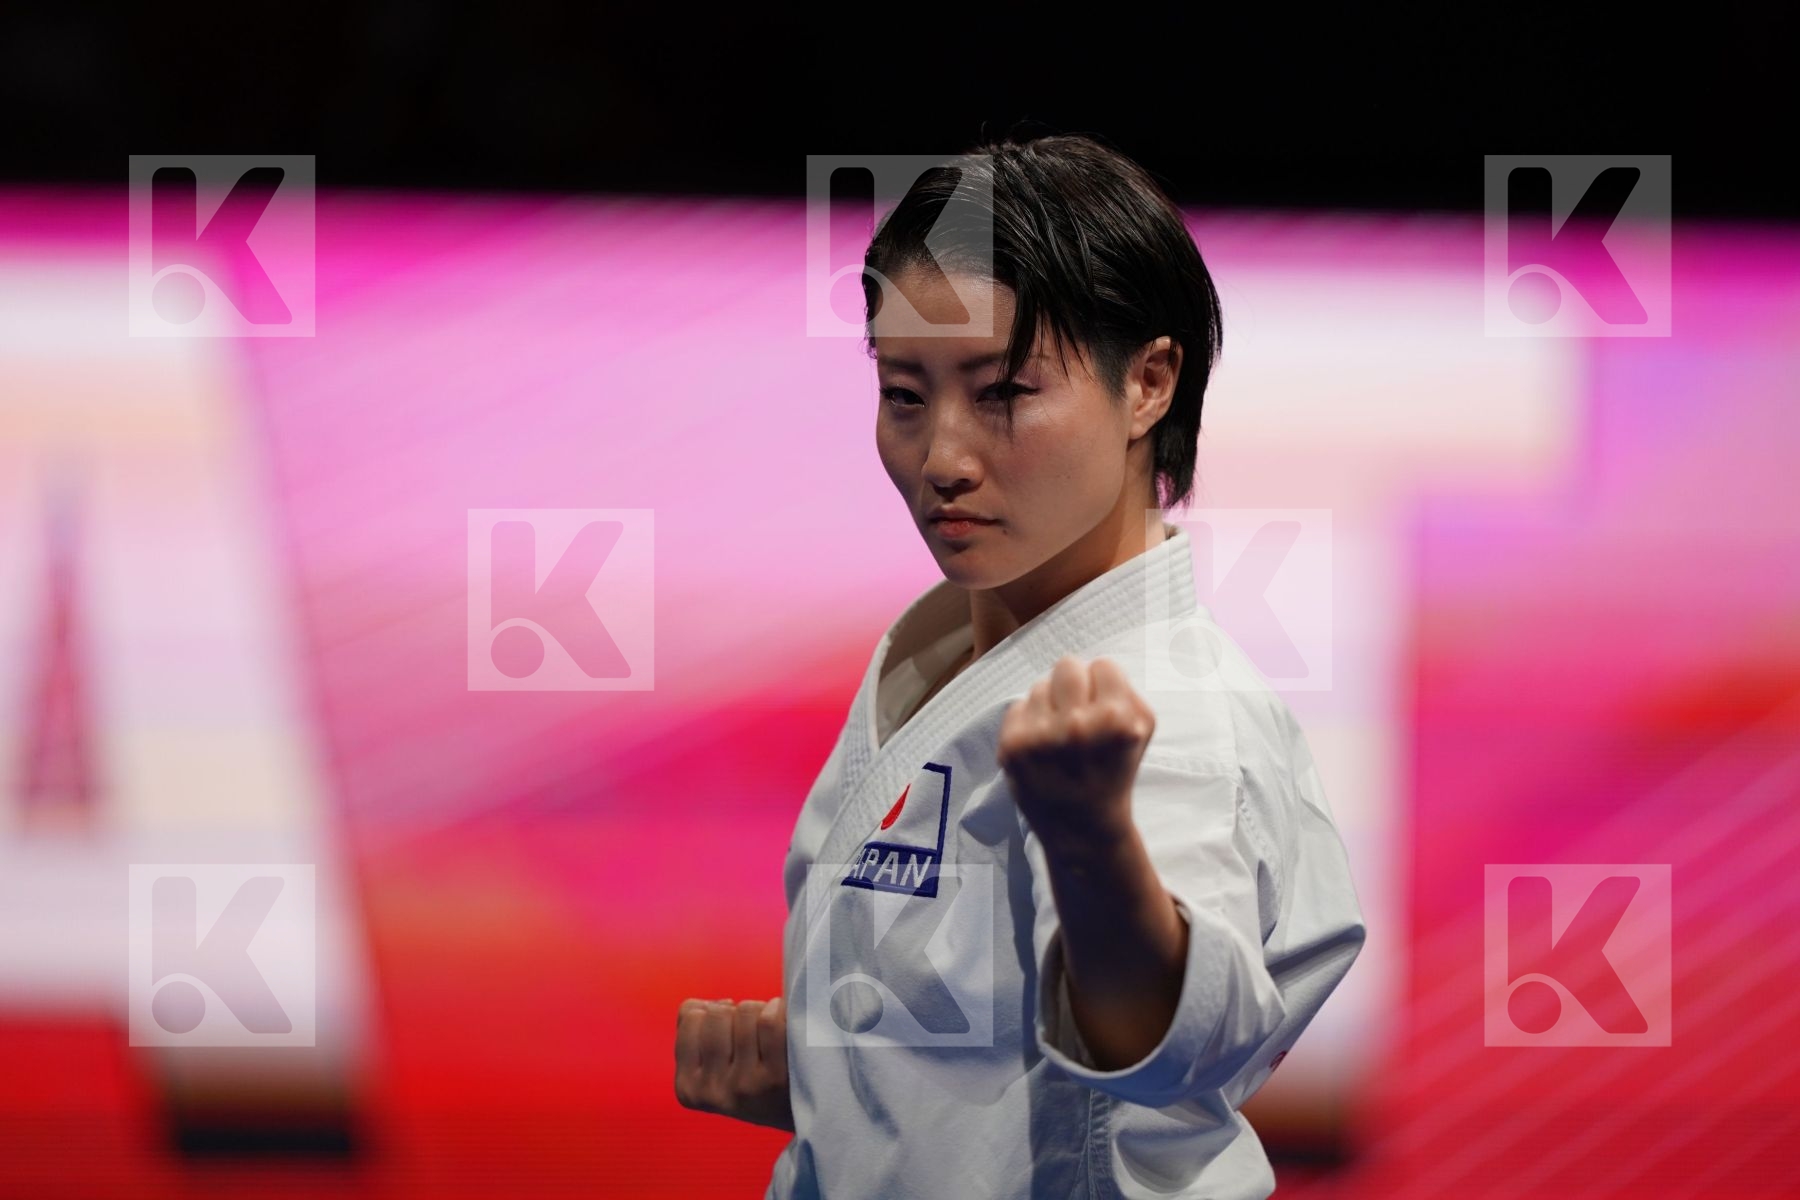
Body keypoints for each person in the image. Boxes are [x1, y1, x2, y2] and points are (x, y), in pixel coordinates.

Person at [674, 132, 1367, 1200]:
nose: (943, 457)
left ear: (1148, 381)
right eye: (906, 394)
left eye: (1002, 393)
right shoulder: (941, 641)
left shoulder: (1160, 708)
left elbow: (1168, 1048)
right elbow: (1012, 1059)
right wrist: (844, 1065)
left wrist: (1095, 842)